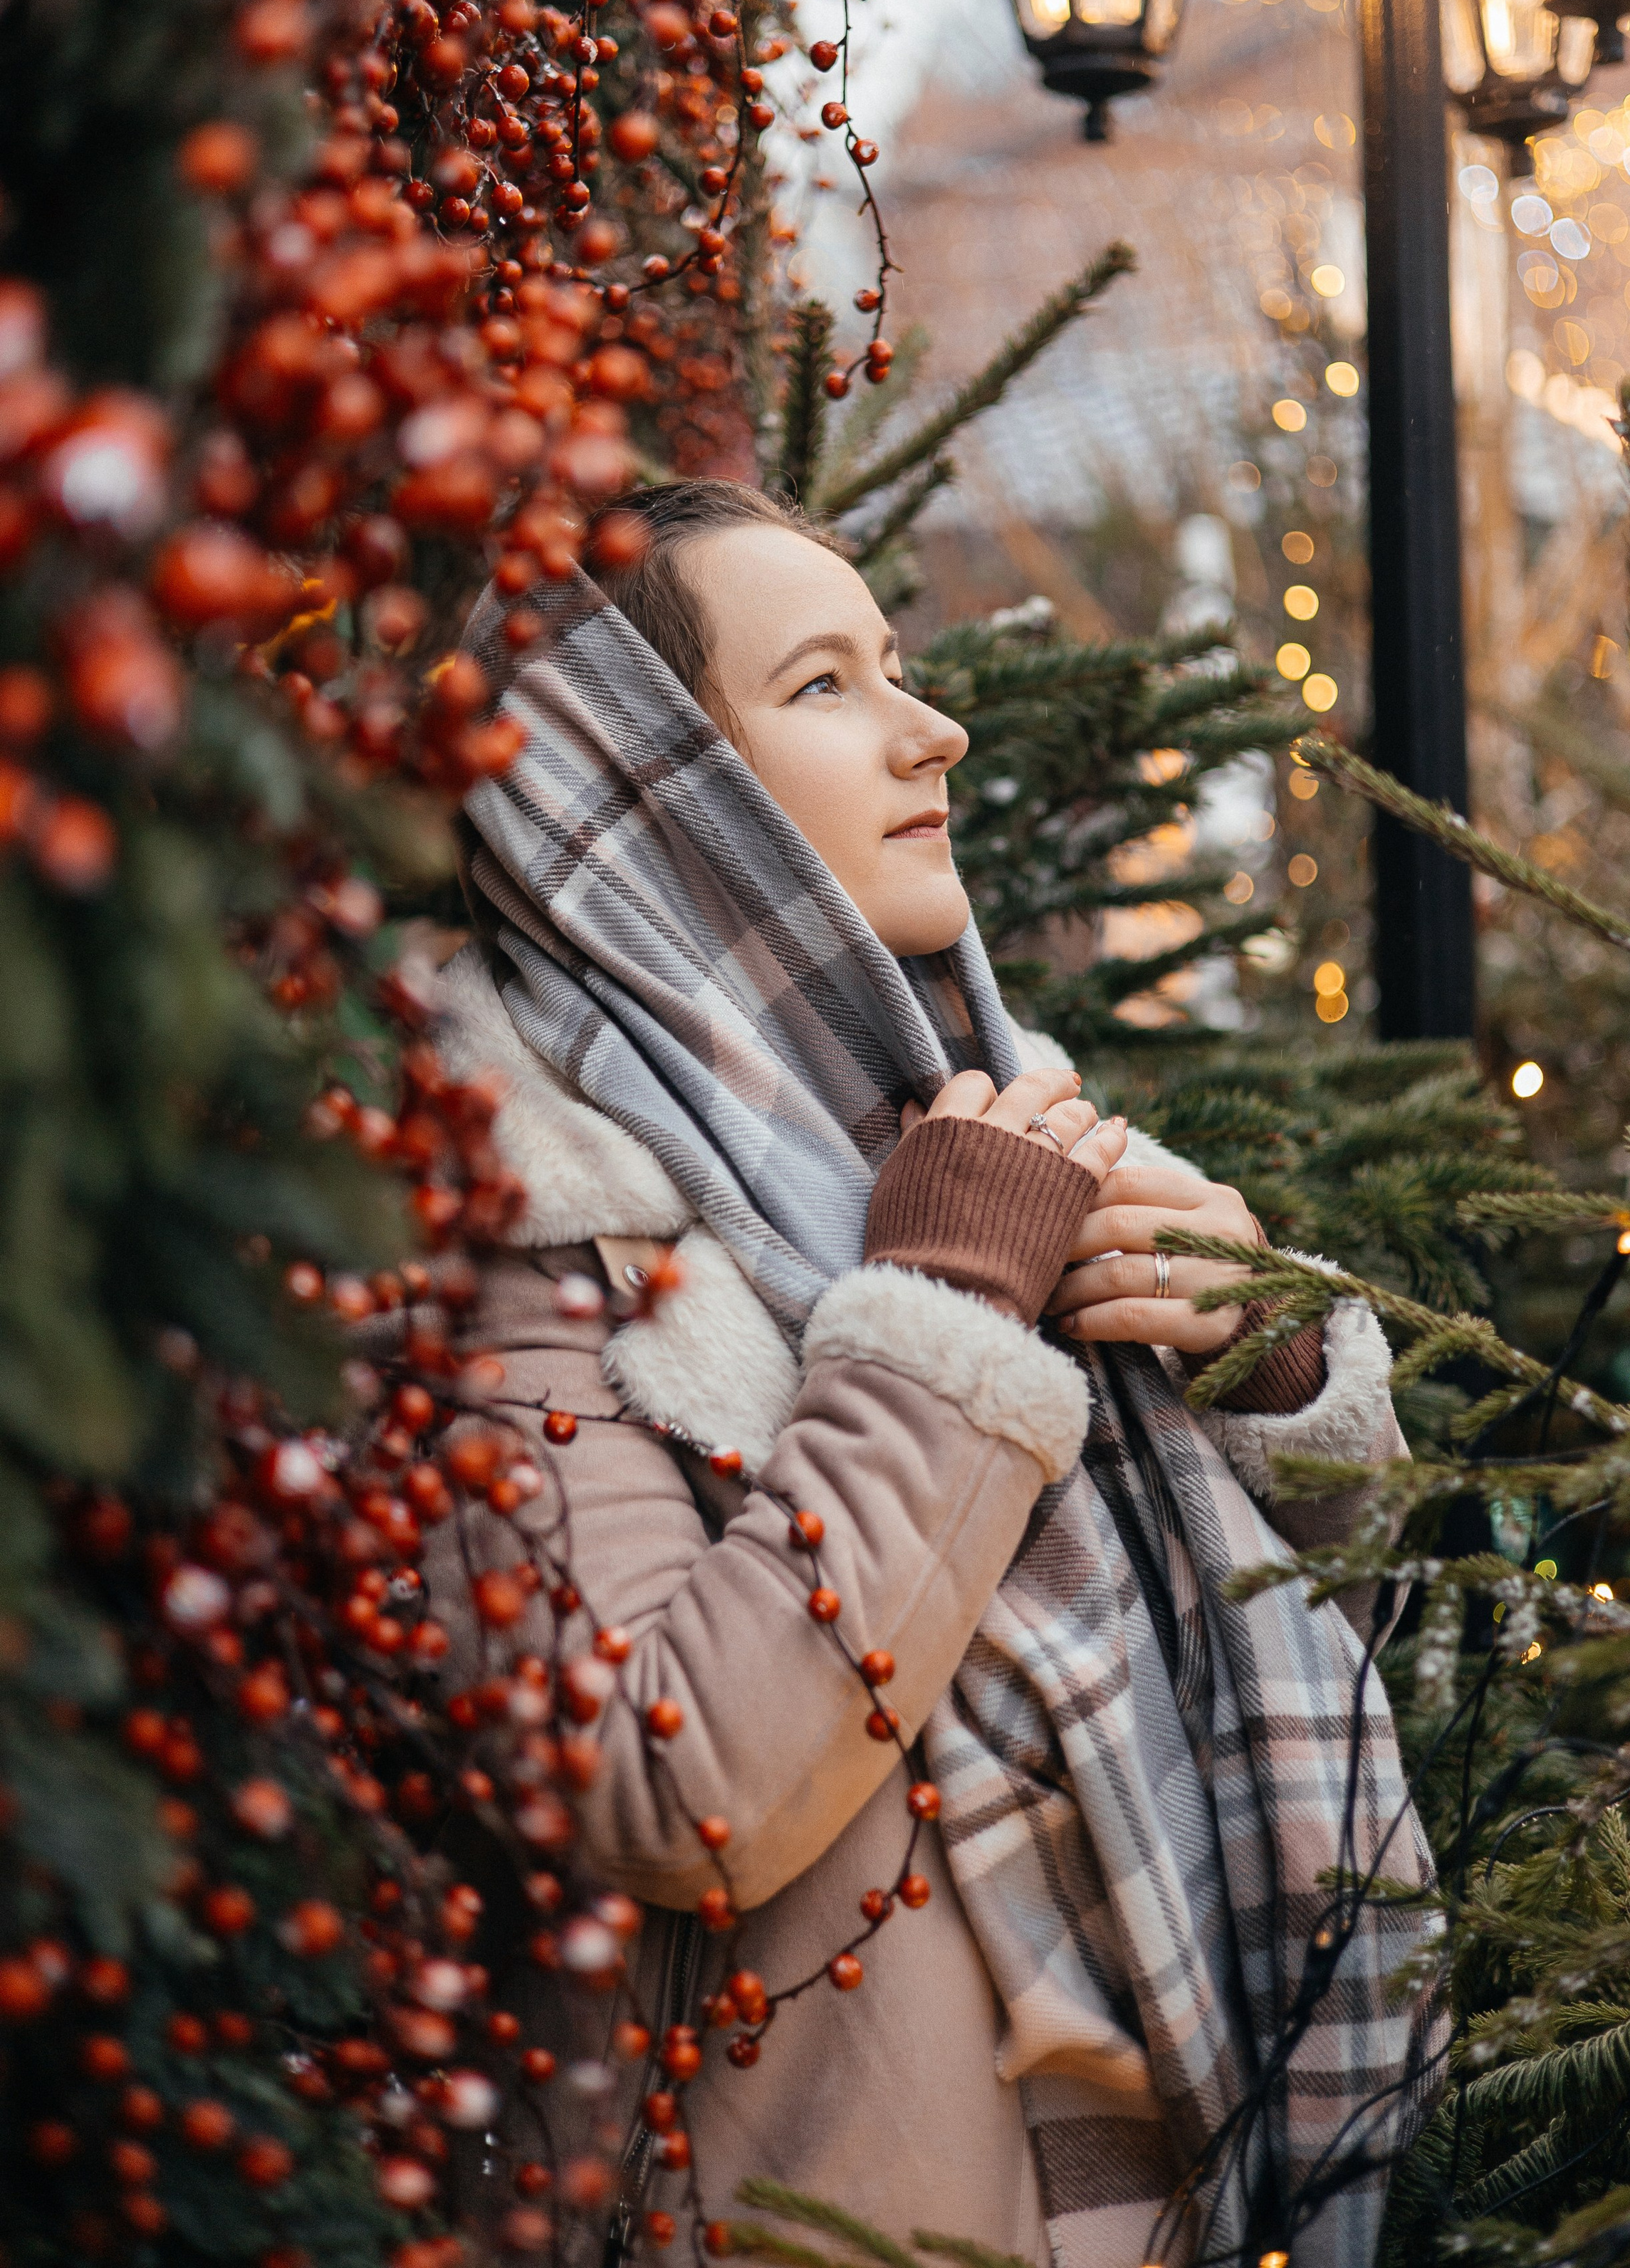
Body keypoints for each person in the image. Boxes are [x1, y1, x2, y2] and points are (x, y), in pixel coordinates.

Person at [427, 481, 1428, 2268]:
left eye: (897, 663)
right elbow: (672, 1795)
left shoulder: (967, 1104)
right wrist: (946, 1301)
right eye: (823, 686)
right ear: (653, 809)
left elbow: (1331, 1622)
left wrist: (1265, 1357)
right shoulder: (520, 1234)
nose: (932, 726)